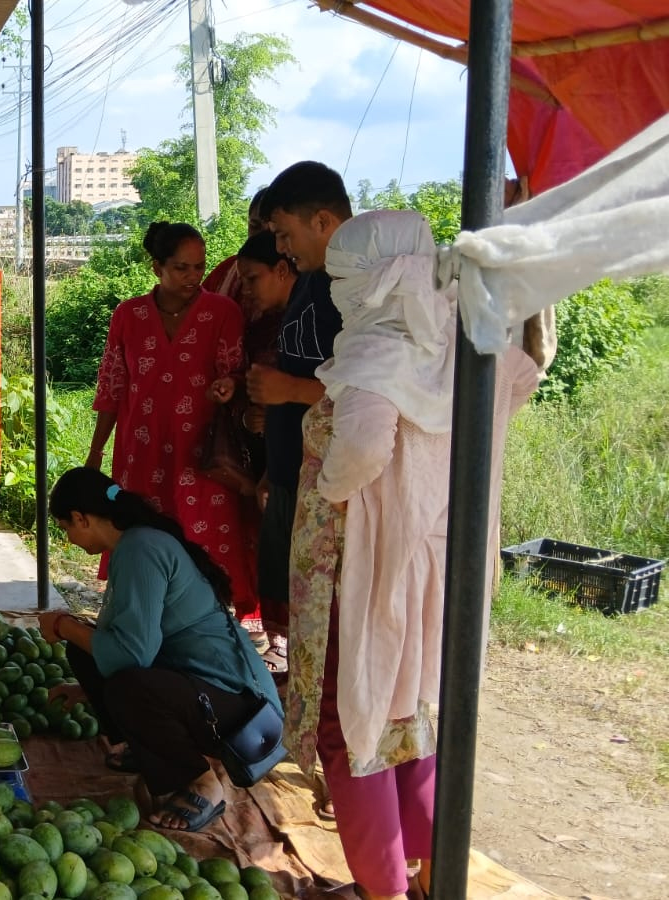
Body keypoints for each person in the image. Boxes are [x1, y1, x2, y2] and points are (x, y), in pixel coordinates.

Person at [284, 211, 540, 900]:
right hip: (440, 559)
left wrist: (333, 488)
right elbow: (522, 379)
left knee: (352, 722)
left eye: (342, 278)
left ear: (372, 279)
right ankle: (427, 874)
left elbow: (365, 446)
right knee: (410, 716)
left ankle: (383, 888)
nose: (338, 292)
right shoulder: (465, 340)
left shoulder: (380, 346)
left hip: (366, 565)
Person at [39, 466, 281, 833]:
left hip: (241, 710)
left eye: (66, 528)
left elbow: (130, 656)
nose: (69, 539)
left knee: (125, 684)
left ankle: (203, 783)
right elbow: (129, 640)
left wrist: (62, 626)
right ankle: (147, 748)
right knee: (85, 650)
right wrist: (85, 687)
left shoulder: (140, 549)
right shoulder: (133, 545)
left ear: (80, 518)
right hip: (204, 691)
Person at [86, 221, 261, 635]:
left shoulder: (223, 313)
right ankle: (146, 627)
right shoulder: (128, 315)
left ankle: (207, 631)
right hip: (140, 454)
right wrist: (96, 451)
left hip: (202, 455)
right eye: (182, 268)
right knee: (143, 537)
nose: (193, 276)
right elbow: (112, 386)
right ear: (157, 267)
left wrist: (229, 385)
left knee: (205, 544)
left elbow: (238, 372)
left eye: (199, 267)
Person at [246, 162, 351, 661]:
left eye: (285, 234)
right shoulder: (311, 277)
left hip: (336, 484)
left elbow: (368, 394)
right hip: (295, 470)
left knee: (332, 627)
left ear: (323, 221)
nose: (281, 247)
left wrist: (287, 388)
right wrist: (274, 467)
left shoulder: (360, 289)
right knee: (300, 616)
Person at [231, 229, 299, 671]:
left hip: (310, 464)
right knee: (275, 557)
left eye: (252, 279)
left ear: (282, 269)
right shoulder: (266, 324)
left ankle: (293, 650)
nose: (247, 291)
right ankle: (282, 645)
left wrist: (279, 403)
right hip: (276, 460)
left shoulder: (317, 317)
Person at [200, 188, 270, 303]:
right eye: (254, 226)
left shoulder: (299, 276)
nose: (260, 236)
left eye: (272, 230)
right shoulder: (227, 269)